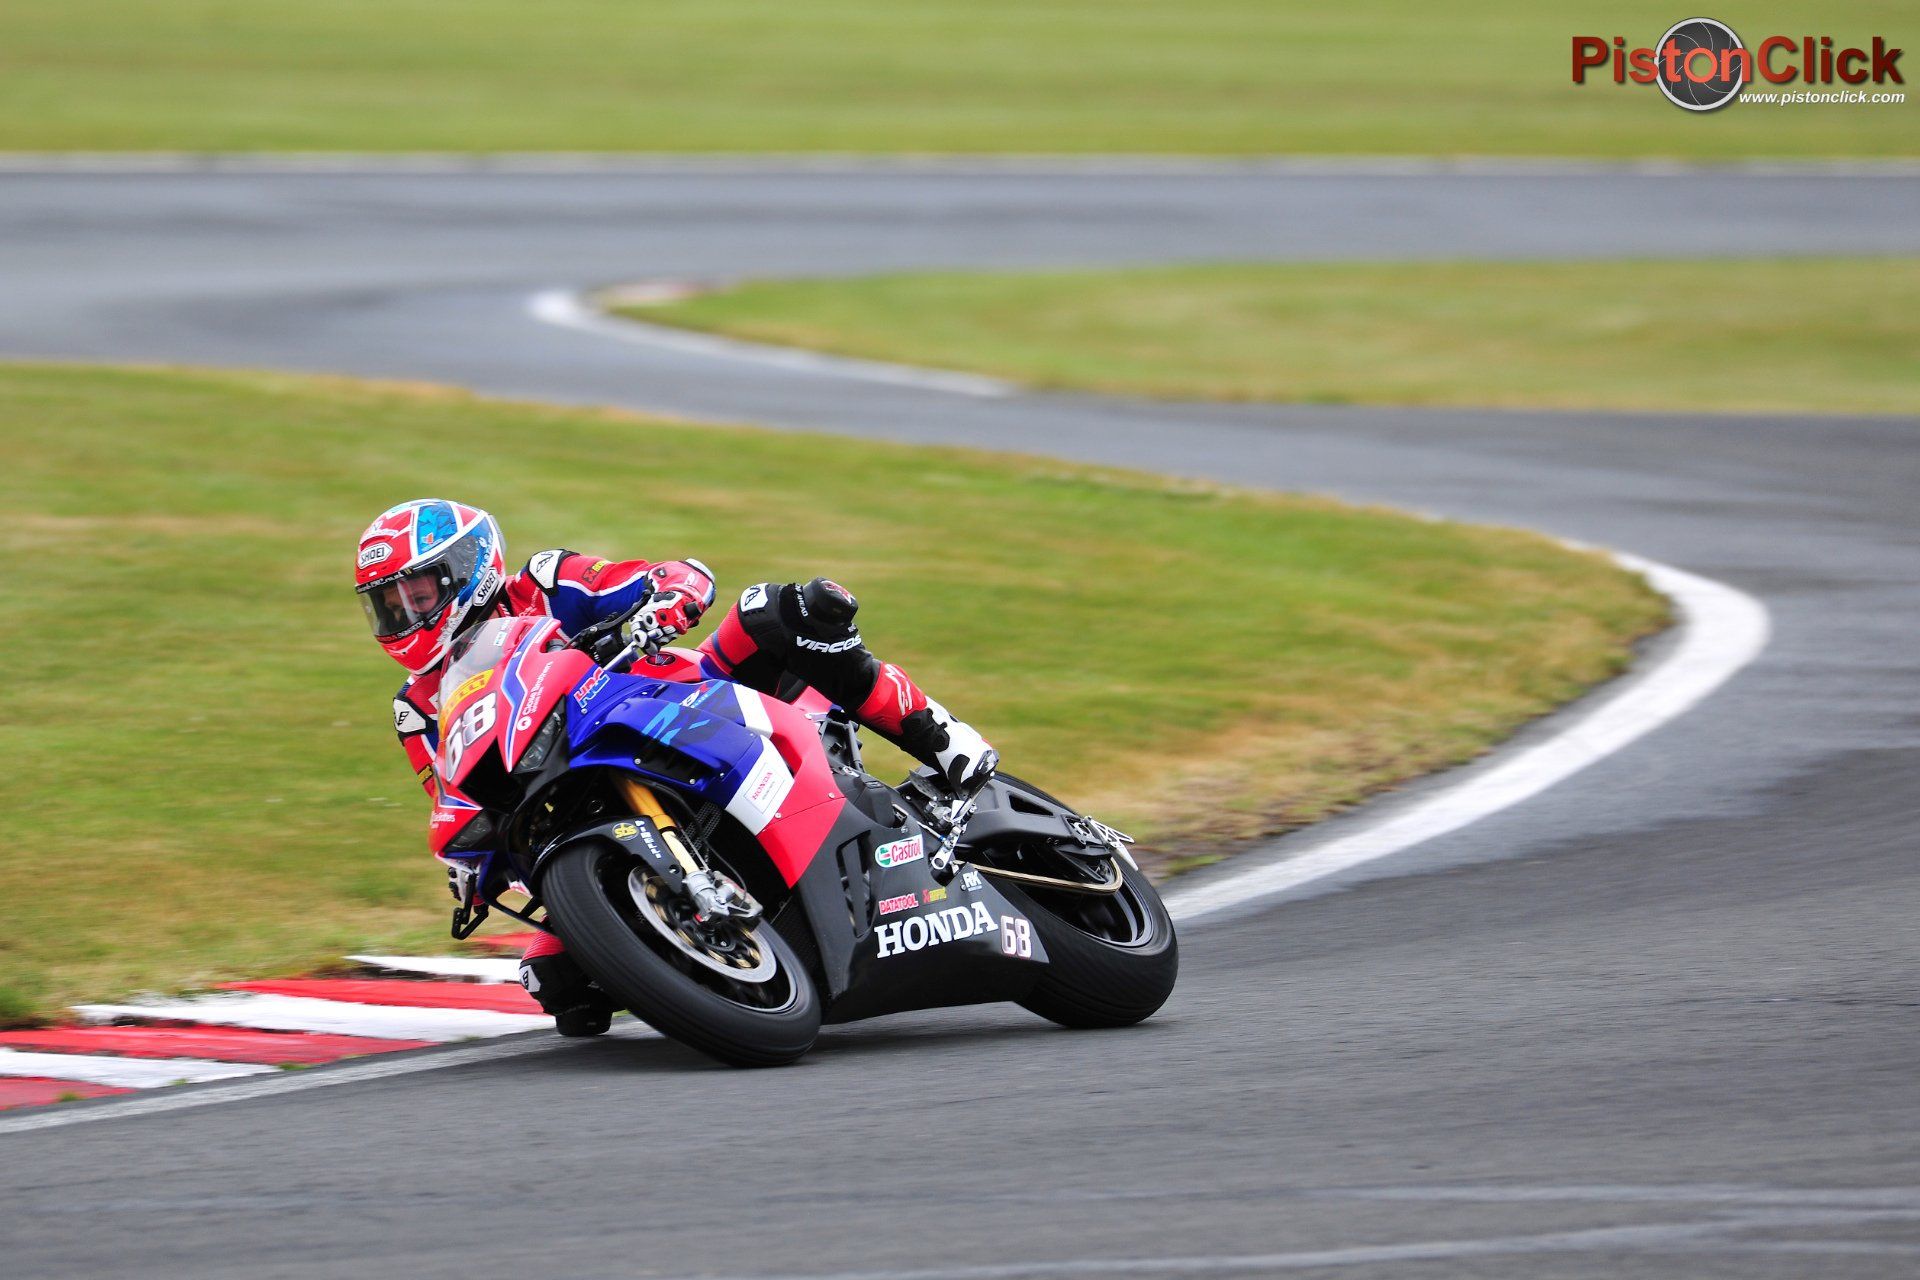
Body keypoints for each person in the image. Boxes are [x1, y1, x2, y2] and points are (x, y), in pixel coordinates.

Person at [354, 498, 996, 1035]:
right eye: (389, 606)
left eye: (417, 595)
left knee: (780, 611)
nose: (405, 617)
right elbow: (452, 789)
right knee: (558, 989)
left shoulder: (547, 582)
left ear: (469, 569)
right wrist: (467, 862)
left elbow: (676, 575)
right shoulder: (417, 707)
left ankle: (948, 746)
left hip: (692, 703)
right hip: (585, 801)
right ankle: (723, 955)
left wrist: (663, 602)